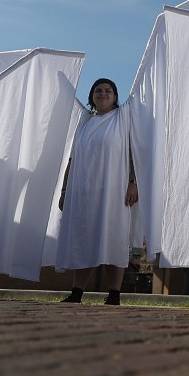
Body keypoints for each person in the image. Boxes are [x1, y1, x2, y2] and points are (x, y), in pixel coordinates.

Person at [57, 78, 138, 306]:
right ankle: (76, 292)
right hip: (83, 191)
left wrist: (134, 182)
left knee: (115, 239)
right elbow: (72, 159)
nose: (103, 93)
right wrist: (65, 189)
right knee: (84, 238)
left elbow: (134, 152)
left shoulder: (123, 118)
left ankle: (114, 294)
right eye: (98, 90)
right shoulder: (84, 122)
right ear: (92, 96)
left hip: (115, 190)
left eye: (108, 91)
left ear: (115, 97)